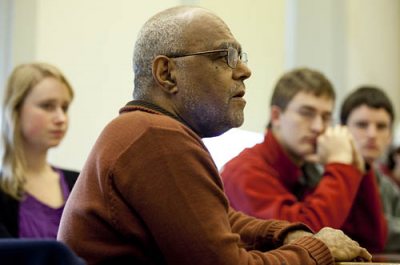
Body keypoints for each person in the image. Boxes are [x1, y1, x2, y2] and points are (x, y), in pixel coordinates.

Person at [58, 6, 370, 265]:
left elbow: (218, 220)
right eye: (224, 56)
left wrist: (284, 235)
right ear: (167, 74)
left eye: (241, 55)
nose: (245, 70)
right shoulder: (156, 137)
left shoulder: (143, 130)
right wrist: (319, 251)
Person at [221, 68, 387, 253]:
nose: (318, 127)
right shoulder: (245, 171)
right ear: (276, 116)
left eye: (326, 117)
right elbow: (308, 240)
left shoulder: (307, 168)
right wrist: (340, 166)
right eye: (307, 113)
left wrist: (358, 165)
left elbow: (371, 243)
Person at [0, 63, 79, 238]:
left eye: (64, 108)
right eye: (47, 106)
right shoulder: (3, 190)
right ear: (16, 110)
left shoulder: (80, 183)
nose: (61, 118)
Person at [340, 86, 400, 252]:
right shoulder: (321, 175)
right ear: (343, 129)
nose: (372, 134)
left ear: (389, 136)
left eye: (381, 126)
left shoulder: (389, 187)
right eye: (362, 125)